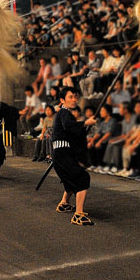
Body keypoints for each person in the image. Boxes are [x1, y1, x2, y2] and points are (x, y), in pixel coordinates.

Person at [51, 88, 97, 226]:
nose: (74, 99)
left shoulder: (64, 113)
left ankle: (64, 203)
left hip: (61, 152)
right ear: (62, 100)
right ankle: (78, 215)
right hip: (62, 152)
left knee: (70, 178)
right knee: (82, 177)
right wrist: (85, 123)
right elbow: (70, 127)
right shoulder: (64, 112)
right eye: (70, 97)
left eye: (75, 97)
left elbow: (72, 133)